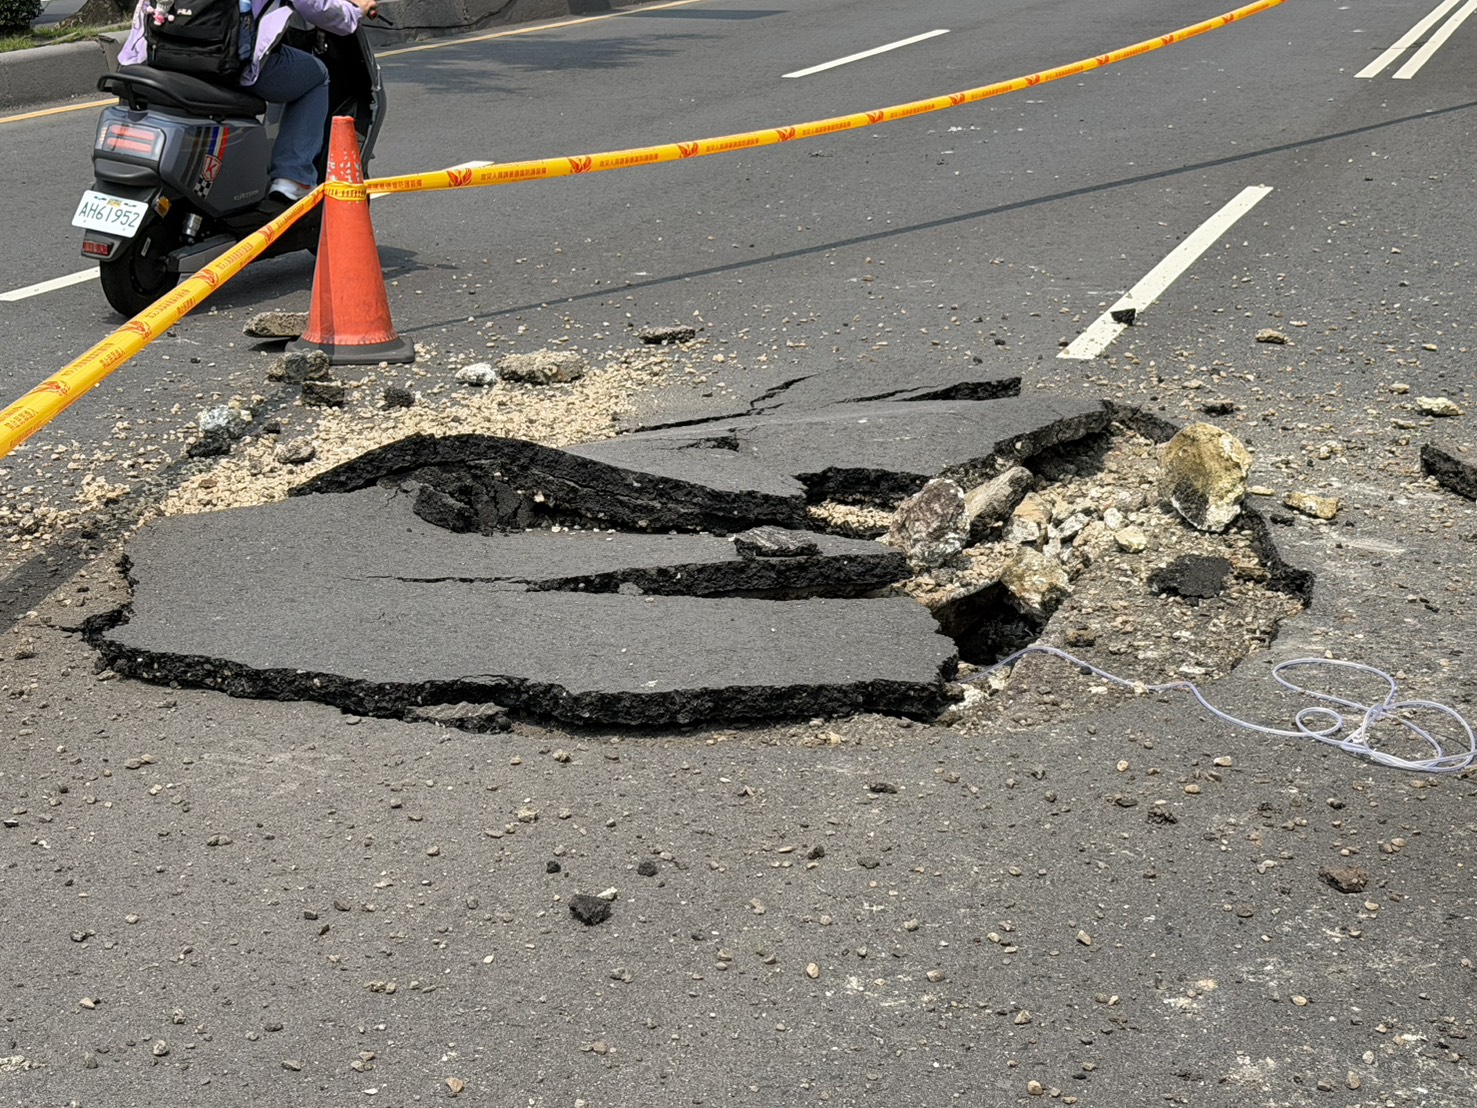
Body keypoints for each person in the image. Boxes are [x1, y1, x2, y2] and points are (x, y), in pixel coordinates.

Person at [116, 0, 378, 204]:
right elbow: (317, 7)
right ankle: (292, 177)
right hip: (225, 62)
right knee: (316, 76)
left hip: (156, 54)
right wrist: (355, 11)